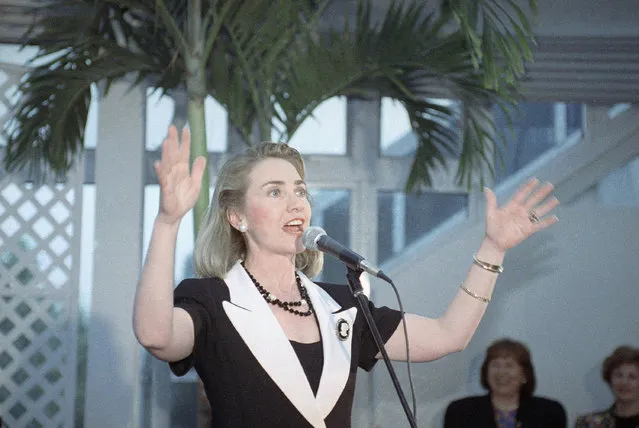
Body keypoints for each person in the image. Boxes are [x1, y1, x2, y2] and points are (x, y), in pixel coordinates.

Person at [132, 126, 560, 428]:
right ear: (237, 216)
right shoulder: (213, 300)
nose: (296, 202)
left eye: (299, 189)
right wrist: (168, 222)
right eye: (274, 191)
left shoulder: (343, 305)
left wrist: (493, 248)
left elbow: (449, 335)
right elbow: (155, 334)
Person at [444, 338, 567, 428]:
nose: (501, 372)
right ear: (486, 372)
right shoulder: (460, 411)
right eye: (495, 365)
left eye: (509, 365)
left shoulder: (550, 412)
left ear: (524, 375)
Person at [575, 345, 639, 428]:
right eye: (619, 375)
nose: (624, 382)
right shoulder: (588, 423)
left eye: (632, 377)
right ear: (610, 379)